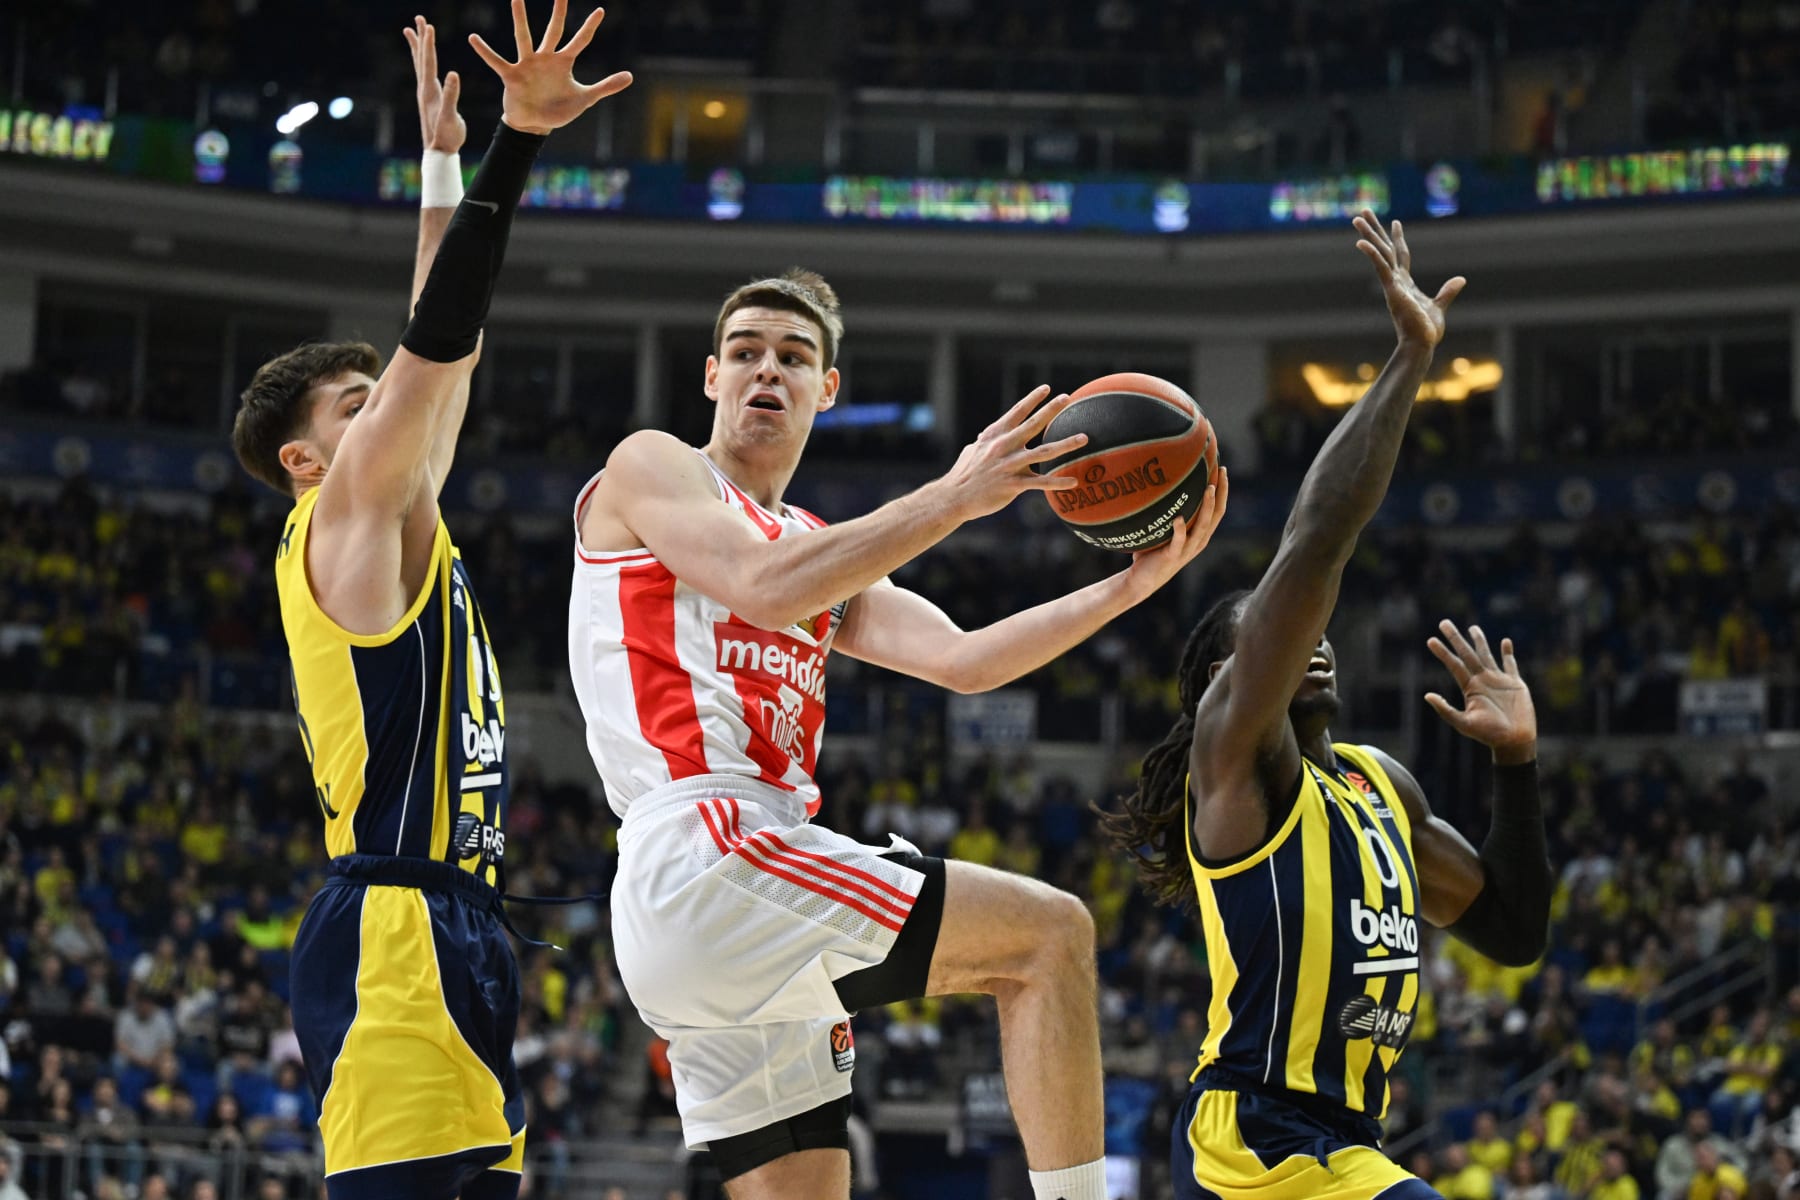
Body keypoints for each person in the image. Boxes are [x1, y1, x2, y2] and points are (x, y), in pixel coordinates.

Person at [570, 271, 1229, 1196]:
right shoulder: (654, 466)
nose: (769, 370)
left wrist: (1132, 586)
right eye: (748, 353)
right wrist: (955, 495)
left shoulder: (812, 541)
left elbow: (967, 660)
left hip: (730, 911)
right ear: (711, 375)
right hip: (707, 849)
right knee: (1050, 939)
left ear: (826, 390)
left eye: (794, 357)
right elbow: (763, 587)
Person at [229, 5, 630, 1198]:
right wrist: (516, 143)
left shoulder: (396, 509)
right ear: (303, 461)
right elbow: (437, 341)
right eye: (354, 406)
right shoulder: (342, 519)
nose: (386, 409)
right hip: (392, 934)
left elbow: (439, 347)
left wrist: (445, 162)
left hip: (457, 927)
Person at [1103, 211, 1554, 1200]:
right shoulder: (1237, 768)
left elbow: (1515, 932)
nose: (1304, 640)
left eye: (1307, 632)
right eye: (1261, 640)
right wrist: (1407, 364)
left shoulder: (1380, 788)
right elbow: (1315, 543)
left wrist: (1515, 767)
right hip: (1257, 1129)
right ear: (1227, 685)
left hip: (1346, 1141)